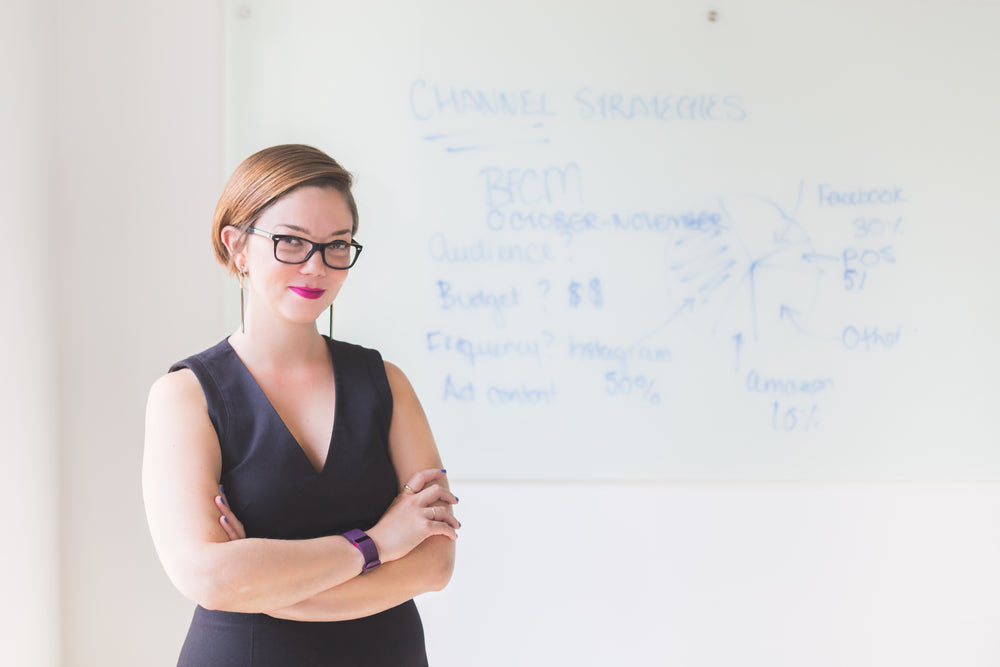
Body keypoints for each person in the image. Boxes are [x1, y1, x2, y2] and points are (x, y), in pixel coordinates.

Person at [142, 144, 460, 666]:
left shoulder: (388, 384)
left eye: (337, 245)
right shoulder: (184, 396)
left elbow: (434, 562)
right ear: (237, 245)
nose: (316, 266)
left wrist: (267, 585)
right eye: (291, 241)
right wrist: (378, 543)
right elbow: (208, 577)